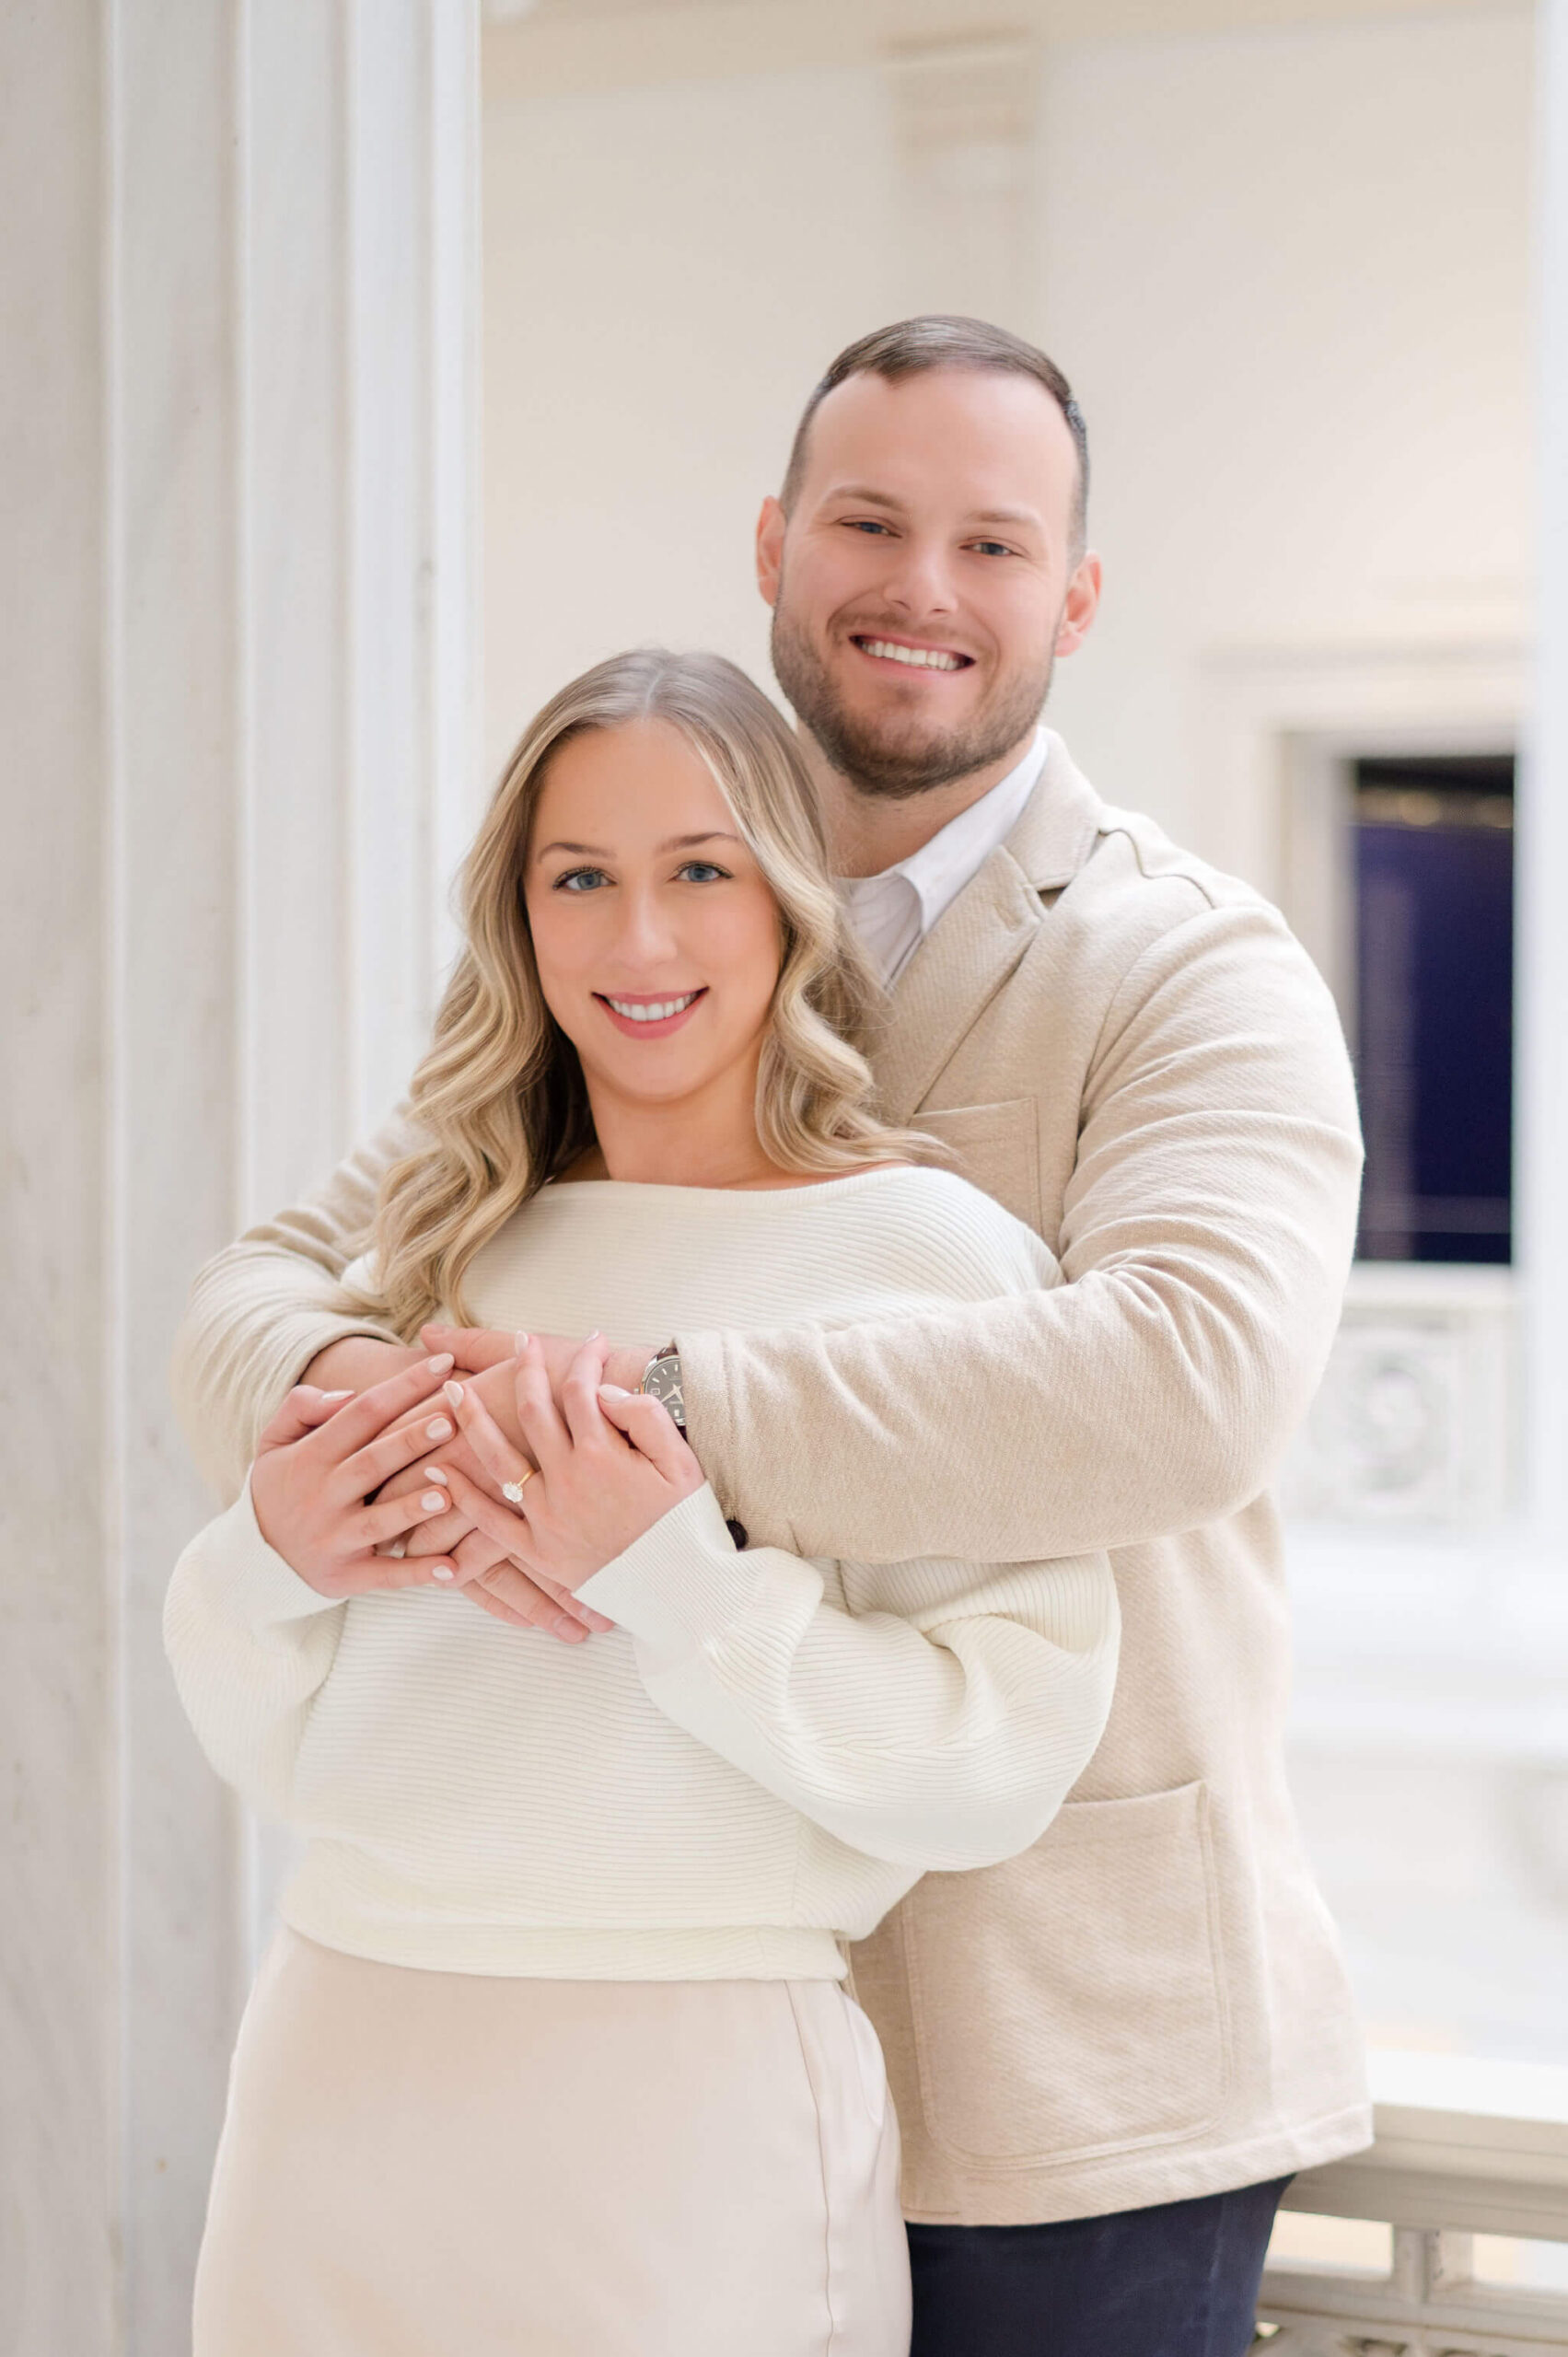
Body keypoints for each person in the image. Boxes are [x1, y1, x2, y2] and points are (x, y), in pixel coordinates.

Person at [172, 317, 1372, 2357]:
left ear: (1076, 596)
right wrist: (376, 1424)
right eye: (870, 520)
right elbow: (267, 1287)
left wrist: (626, 1423)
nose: (923, 584)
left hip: (1059, 2049)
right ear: (774, 545)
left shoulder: (1187, 966)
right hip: (644, 2025)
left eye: (994, 544)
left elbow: (1189, 1379)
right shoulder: (651, 932)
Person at [165, 647, 1120, 2357]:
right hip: (337, 2061)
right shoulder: (427, 1248)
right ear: (518, 918)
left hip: (694, 2089)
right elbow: (267, 1739)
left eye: (700, 871)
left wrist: (679, 1579)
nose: (641, 940)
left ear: (789, 898)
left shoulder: (933, 1260)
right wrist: (269, 1561)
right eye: (580, 879)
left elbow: (997, 1757)